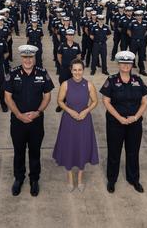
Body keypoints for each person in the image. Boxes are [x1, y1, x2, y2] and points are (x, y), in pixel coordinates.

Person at [4, 45, 55, 197]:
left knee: (35, 152)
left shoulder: (42, 73)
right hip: (18, 122)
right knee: (18, 152)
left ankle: (34, 180)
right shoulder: (12, 74)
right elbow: (8, 97)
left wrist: (38, 112)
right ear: (21, 58)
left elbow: (47, 96)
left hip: (36, 122)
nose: (28, 60)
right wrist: (19, 115)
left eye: (30, 57)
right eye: (25, 57)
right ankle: (18, 179)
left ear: (34, 58)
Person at [100, 51, 147, 193]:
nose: (125, 66)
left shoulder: (138, 80)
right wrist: (119, 118)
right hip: (115, 123)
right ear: (118, 64)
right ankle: (112, 179)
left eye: (128, 63)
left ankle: (133, 179)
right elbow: (106, 101)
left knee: (133, 152)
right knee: (114, 152)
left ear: (132, 64)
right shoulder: (111, 80)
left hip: (134, 123)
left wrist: (135, 117)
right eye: (123, 63)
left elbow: (145, 102)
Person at [52, 59, 99, 192]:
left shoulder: (89, 84)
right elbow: (60, 101)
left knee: (82, 146)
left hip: (84, 120)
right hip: (69, 119)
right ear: (71, 70)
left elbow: (95, 101)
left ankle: (79, 179)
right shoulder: (65, 84)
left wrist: (85, 111)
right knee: (69, 146)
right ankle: (70, 178)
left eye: (80, 70)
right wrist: (70, 111)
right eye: (75, 70)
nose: (77, 73)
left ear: (83, 70)